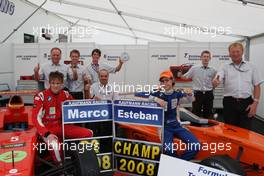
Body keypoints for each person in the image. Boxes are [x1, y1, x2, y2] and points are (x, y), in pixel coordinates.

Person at [32, 71, 93, 164]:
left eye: (57, 83)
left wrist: (88, 96)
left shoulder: (65, 94)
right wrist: (46, 134)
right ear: (49, 83)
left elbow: (78, 105)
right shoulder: (41, 96)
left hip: (62, 126)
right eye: (53, 83)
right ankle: (60, 168)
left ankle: (80, 159)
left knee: (88, 133)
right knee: (55, 145)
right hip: (47, 129)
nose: (55, 86)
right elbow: (35, 119)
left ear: (62, 84)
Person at [149, 70, 200, 160]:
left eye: (167, 80)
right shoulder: (157, 92)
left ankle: (180, 163)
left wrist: (190, 93)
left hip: (177, 125)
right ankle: (175, 163)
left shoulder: (177, 94)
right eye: (162, 81)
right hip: (164, 128)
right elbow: (141, 95)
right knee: (169, 150)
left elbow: (191, 100)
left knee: (195, 145)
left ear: (172, 81)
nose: (165, 83)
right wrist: (156, 99)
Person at [212, 42, 263, 129]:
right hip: (229, 103)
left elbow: (257, 86)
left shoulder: (252, 66)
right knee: (230, 129)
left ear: (242, 52)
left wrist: (255, 104)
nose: (235, 54)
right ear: (229, 54)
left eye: (237, 51)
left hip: (246, 103)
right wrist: (215, 82)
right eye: (233, 52)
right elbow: (218, 79)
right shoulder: (224, 66)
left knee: (246, 130)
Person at [180, 50, 217, 119]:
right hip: (197, 94)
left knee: (208, 113)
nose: (206, 58)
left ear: (210, 58)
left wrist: (215, 85)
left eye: (207, 57)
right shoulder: (194, 68)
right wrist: (180, 75)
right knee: (195, 113)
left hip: (209, 94)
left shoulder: (214, 70)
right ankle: (195, 128)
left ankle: (208, 129)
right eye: (204, 56)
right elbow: (185, 77)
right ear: (201, 58)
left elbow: (216, 81)